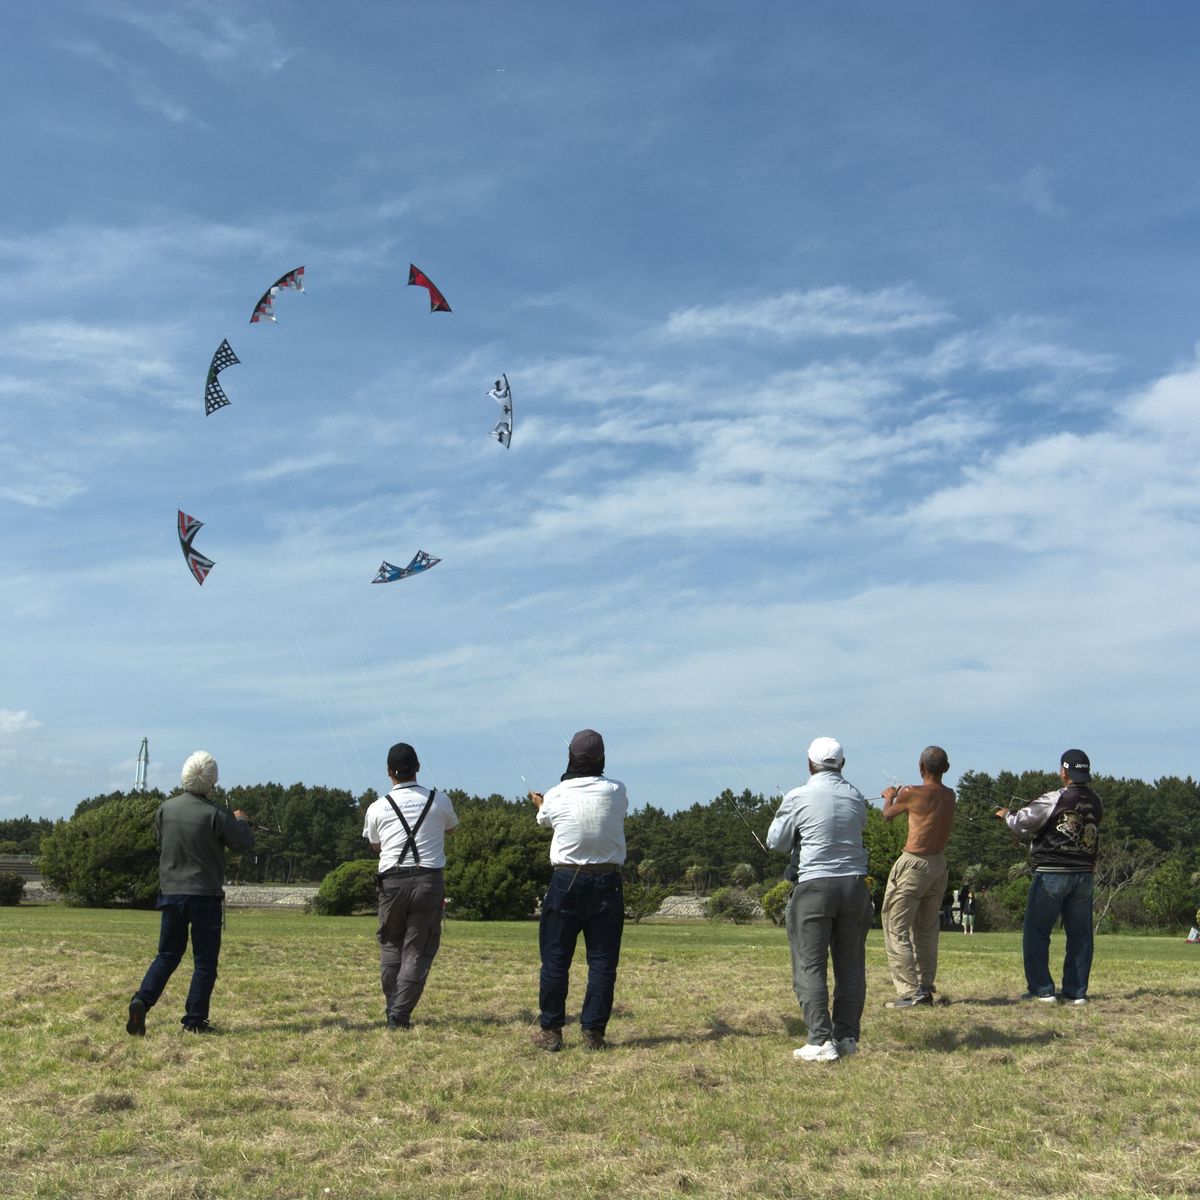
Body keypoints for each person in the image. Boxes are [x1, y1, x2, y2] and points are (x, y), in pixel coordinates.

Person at [126, 751, 254, 1036]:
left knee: (167, 954)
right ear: (212, 782)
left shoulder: (165, 809)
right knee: (204, 962)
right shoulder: (217, 813)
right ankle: (194, 1020)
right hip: (205, 896)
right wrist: (242, 821)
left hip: (171, 892)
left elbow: (162, 840)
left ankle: (142, 1000)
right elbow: (243, 844)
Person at [766, 736, 872, 1063]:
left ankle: (819, 1040)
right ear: (842, 763)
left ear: (810, 764)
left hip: (814, 884)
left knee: (810, 965)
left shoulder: (798, 796)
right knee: (851, 964)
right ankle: (847, 1036)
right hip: (855, 886)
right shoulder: (855, 796)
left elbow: (776, 842)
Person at [529, 729, 628, 1052]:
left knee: (556, 959)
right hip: (607, 881)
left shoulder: (556, 794)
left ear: (571, 756)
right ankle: (593, 1033)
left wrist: (542, 804)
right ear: (602, 758)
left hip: (565, 879)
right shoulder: (617, 790)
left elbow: (544, 820)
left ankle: (551, 1031)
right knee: (601, 961)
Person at [362, 742, 458, 1029]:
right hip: (428, 881)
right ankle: (399, 1013)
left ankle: (394, 1007)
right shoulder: (439, 800)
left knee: (391, 944)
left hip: (391, 882)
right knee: (417, 947)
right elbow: (451, 828)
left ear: (389, 772)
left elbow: (375, 844)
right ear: (417, 768)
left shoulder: (378, 806)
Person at [995, 749, 1101, 1004]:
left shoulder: (1055, 797)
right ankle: (1076, 993)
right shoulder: (1097, 801)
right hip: (1084, 875)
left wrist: (1005, 815)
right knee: (1080, 936)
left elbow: (1022, 822)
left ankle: (1043, 990)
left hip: (1051, 874)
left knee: (1037, 932)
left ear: (1063, 772)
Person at [879, 746, 956, 1007]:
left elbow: (887, 816)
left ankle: (910, 993)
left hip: (914, 864)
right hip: (939, 865)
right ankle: (924, 986)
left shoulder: (911, 793)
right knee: (926, 929)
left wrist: (889, 796)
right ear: (946, 769)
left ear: (921, 767)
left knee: (896, 926)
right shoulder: (951, 795)